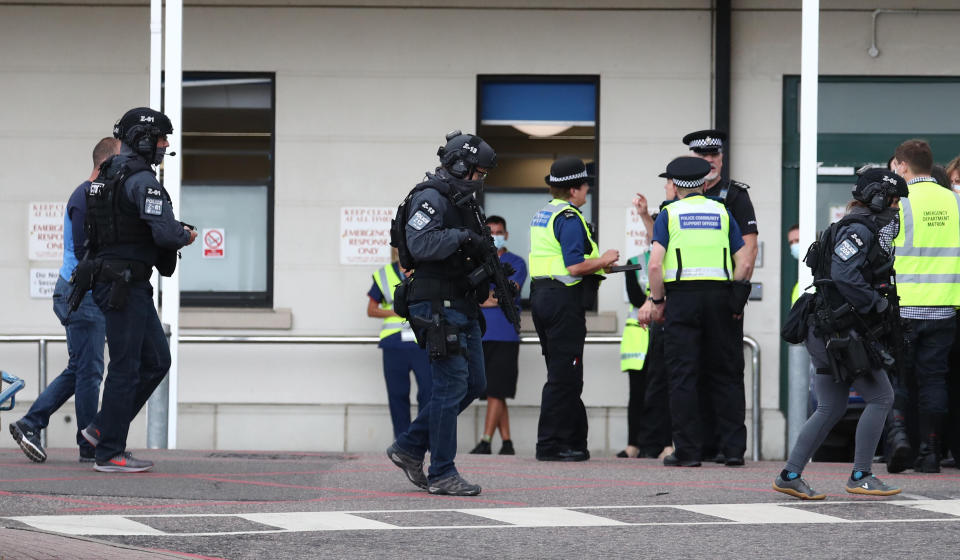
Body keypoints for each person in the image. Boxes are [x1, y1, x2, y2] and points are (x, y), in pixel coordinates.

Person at [773, 169, 906, 499]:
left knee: (830, 406)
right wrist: (874, 303)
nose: (897, 209)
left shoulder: (853, 226)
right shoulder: (859, 230)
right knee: (881, 397)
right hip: (842, 333)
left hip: (828, 332)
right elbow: (845, 276)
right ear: (877, 199)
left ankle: (790, 475)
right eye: (893, 201)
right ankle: (861, 474)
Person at [80, 107, 197, 473]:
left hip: (120, 281)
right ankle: (109, 452)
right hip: (124, 285)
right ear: (143, 140)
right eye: (161, 138)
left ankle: (101, 429)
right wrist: (185, 235)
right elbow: (164, 233)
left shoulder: (108, 175)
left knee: (157, 360)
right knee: (127, 368)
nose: (164, 145)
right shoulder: (142, 180)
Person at [385, 130, 496, 496]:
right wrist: (463, 239)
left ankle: (409, 446)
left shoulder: (463, 200)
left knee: (474, 384)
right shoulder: (431, 197)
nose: (481, 180)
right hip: (436, 306)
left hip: (461, 303)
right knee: (450, 388)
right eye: (478, 172)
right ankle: (443, 472)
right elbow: (420, 242)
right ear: (460, 166)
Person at [8, 137, 119, 463]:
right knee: (90, 372)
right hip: (80, 294)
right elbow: (89, 251)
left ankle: (30, 423)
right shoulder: (86, 197)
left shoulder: (93, 195)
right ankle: (87, 444)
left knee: (80, 368)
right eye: (121, 163)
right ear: (106, 164)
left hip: (78, 293)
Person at [639, 156, 751, 468]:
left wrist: (658, 302)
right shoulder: (723, 211)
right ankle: (732, 450)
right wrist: (736, 299)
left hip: (682, 300)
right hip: (720, 297)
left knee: (683, 375)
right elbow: (744, 261)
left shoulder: (668, 214)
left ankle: (687, 451)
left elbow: (655, 264)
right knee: (726, 373)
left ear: (675, 186)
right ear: (703, 183)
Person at [530, 157, 619, 462]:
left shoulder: (543, 213)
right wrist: (604, 260)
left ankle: (573, 441)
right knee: (564, 375)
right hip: (562, 300)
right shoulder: (568, 217)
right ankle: (551, 444)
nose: (587, 191)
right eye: (585, 186)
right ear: (573, 189)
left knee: (562, 371)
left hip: (543, 296)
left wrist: (600, 266)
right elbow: (574, 265)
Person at [682, 129, 759, 464]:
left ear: (722, 159)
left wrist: (738, 296)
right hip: (687, 296)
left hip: (723, 298)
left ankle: (731, 448)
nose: (710, 161)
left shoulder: (736, 196)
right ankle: (700, 445)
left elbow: (748, 249)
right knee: (690, 373)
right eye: (703, 157)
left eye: (715, 156)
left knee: (726, 372)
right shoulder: (679, 195)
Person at [888, 139, 960, 473]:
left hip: (904, 308)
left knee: (899, 379)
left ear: (903, 165)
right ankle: (930, 452)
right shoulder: (955, 201)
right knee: (934, 380)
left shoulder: (898, 203)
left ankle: (901, 441)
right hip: (944, 307)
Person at [469, 215, 526, 455]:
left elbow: (507, 294)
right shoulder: (477, 263)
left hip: (505, 334)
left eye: (499, 231)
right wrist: (486, 299)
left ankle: (485, 441)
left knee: (496, 389)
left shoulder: (517, 262)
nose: (495, 236)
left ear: (507, 235)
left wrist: (481, 299)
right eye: (490, 232)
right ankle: (507, 442)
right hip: (481, 334)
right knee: (494, 390)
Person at [366, 254, 432, 440]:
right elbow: (371, 310)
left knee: (429, 392)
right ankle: (403, 441)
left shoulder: (427, 272)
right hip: (394, 344)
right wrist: (396, 312)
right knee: (397, 395)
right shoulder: (384, 274)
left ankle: (422, 439)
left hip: (422, 341)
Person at [788, 223, 801, 304]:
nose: (794, 245)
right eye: (791, 242)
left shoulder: (819, 275)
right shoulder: (798, 285)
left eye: (797, 241)